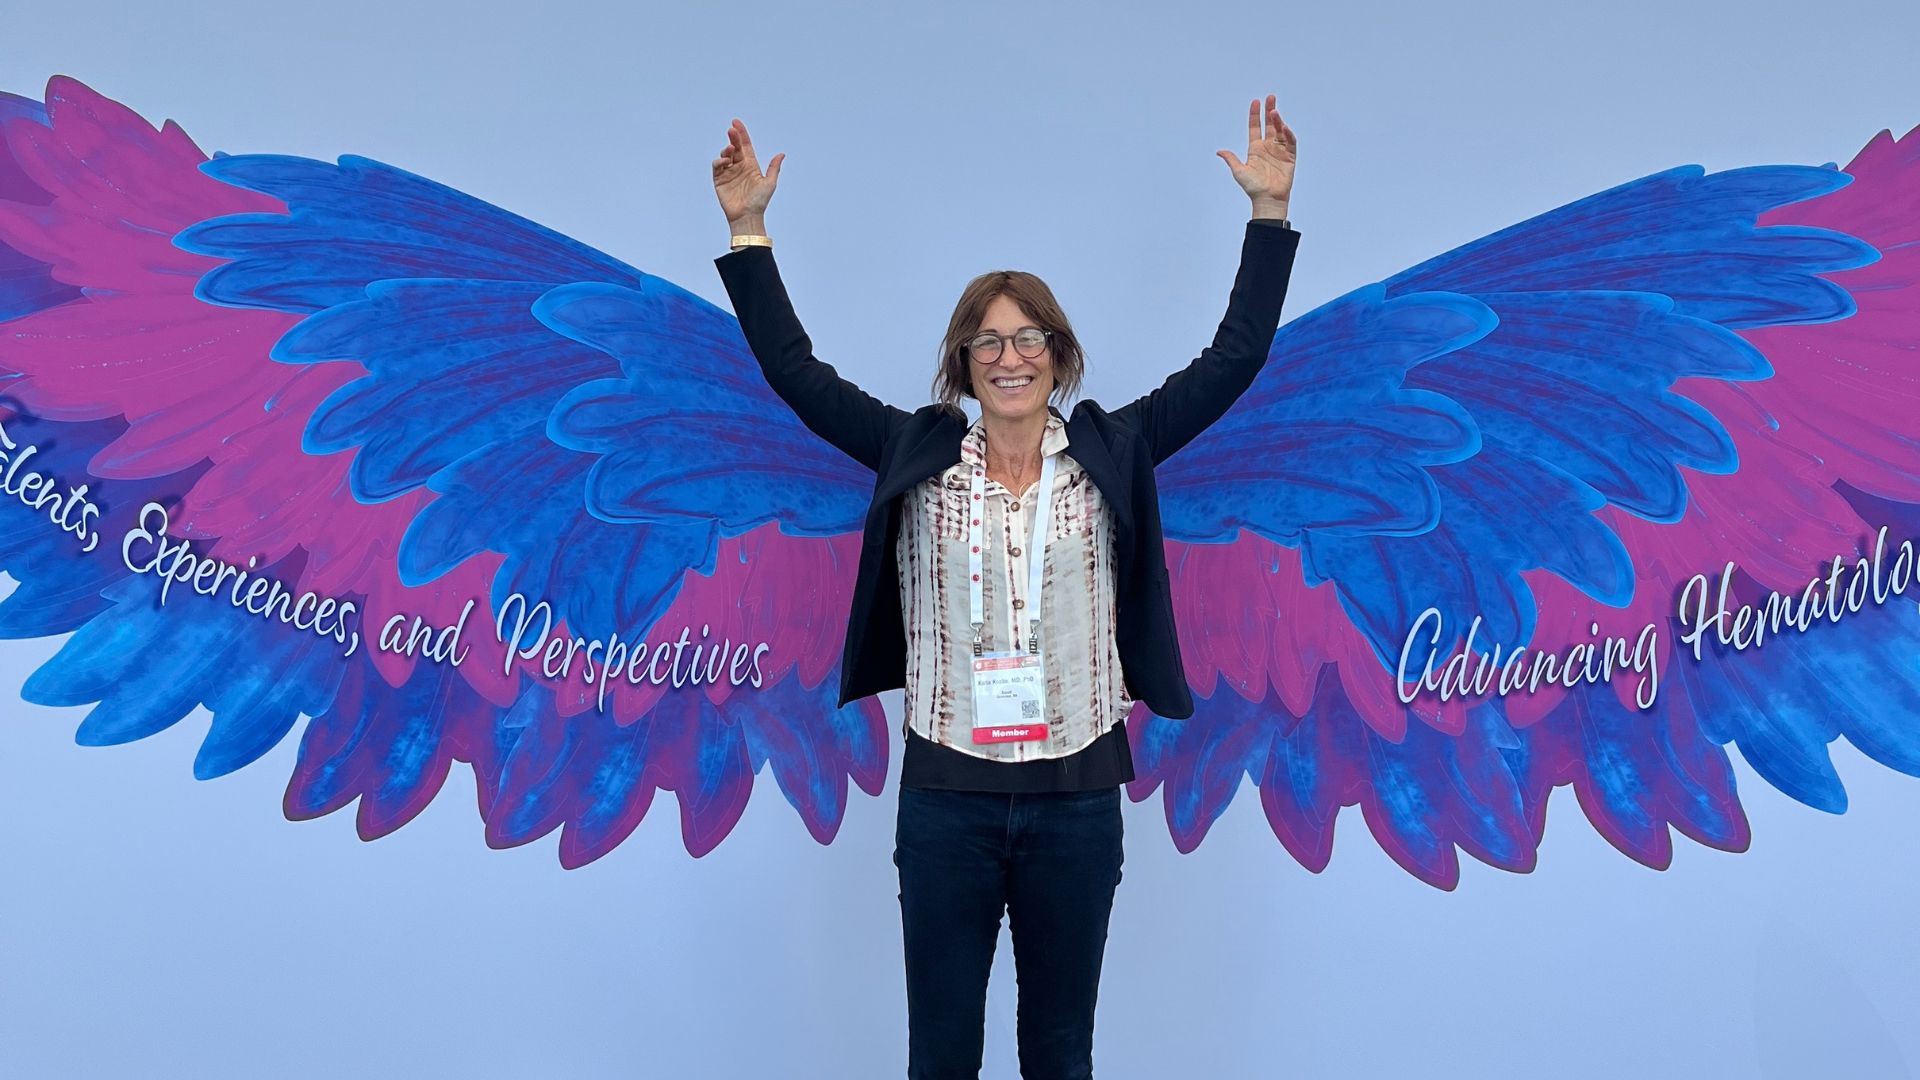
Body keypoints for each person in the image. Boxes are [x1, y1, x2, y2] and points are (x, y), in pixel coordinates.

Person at [711, 96, 1300, 1080]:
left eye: (1029, 339)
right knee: (942, 1055)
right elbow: (794, 373)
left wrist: (1269, 215)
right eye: (988, 342)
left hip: (1077, 796)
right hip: (949, 796)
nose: (1010, 355)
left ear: (1059, 358)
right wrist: (746, 230)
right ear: (964, 367)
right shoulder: (918, 449)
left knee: (1059, 1053)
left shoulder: (1117, 449)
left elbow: (1235, 361)